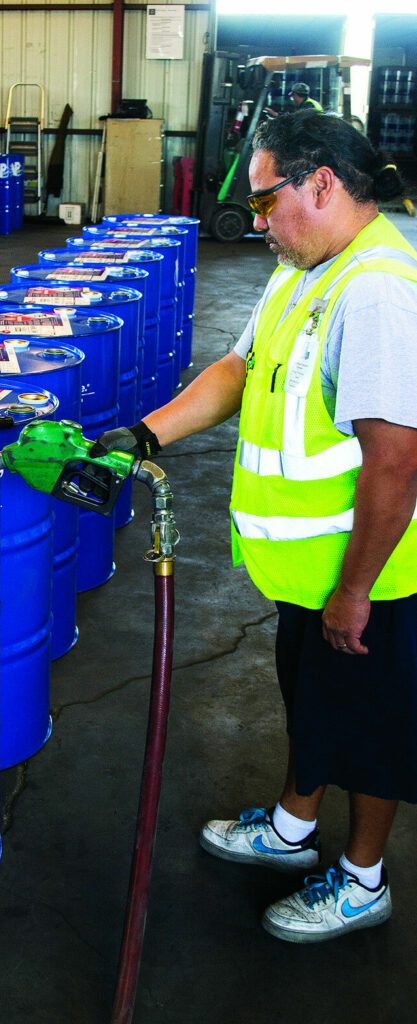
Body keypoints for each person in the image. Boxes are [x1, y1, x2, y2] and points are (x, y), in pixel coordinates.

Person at [92, 111, 417, 943]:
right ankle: (291, 828)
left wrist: (354, 592)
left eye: (266, 200)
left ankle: (361, 878)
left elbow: (395, 461)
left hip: (368, 579)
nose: (256, 219)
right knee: (311, 708)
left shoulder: (375, 289)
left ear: (321, 183)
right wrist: (142, 435)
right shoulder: (304, 268)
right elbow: (238, 369)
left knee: (368, 735)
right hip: (305, 574)